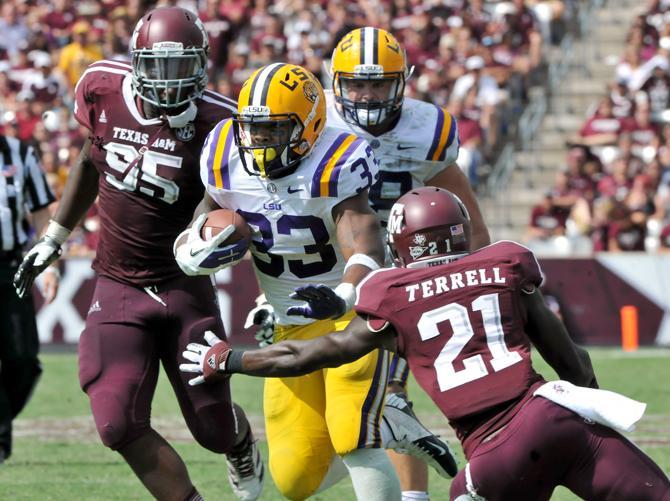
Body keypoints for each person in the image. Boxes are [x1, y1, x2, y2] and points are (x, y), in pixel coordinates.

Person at [182, 187, 670, 501]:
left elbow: (307, 353)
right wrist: (590, 415)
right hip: (559, 414)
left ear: (402, 242)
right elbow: (572, 359)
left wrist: (231, 359)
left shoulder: (392, 294)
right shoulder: (505, 264)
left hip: (495, 451)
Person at [173, 63, 456, 501]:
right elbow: (206, 216)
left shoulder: (337, 159)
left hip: (354, 315)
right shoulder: (224, 153)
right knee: (296, 479)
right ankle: (388, 426)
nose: (259, 140)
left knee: (352, 437)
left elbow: (364, 243)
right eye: (253, 129)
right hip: (290, 322)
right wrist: (194, 248)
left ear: (308, 127)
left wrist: (344, 296)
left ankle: (376, 428)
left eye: (273, 130)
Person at [13, 7, 263, 501]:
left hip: (184, 286)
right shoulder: (101, 86)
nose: (168, 83)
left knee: (212, 430)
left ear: (202, 64)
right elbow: (90, 156)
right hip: (118, 285)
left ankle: (239, 442)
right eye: (158, 67)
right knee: (115, 421)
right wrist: (54, 236)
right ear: (136, 62)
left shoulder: (222, 122)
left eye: (180, 67)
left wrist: (219, 241)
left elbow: (241, 209)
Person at [324, 27, 493, 500]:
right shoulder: (317, 122)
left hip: (405, 264)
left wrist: (478, 274)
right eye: (357, 83)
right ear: (335, 83)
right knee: (374, 396)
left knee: (420, 383)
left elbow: (465, 212)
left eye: (380, 84)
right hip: (331, 264)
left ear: (403, 82)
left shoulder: (427, 129)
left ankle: (450, 482)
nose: (367, 94)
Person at [1, 133, 58, 463]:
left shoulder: (19, 154)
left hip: (9, 266)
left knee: (24, 361)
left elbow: (40, 212)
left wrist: (49, 266)